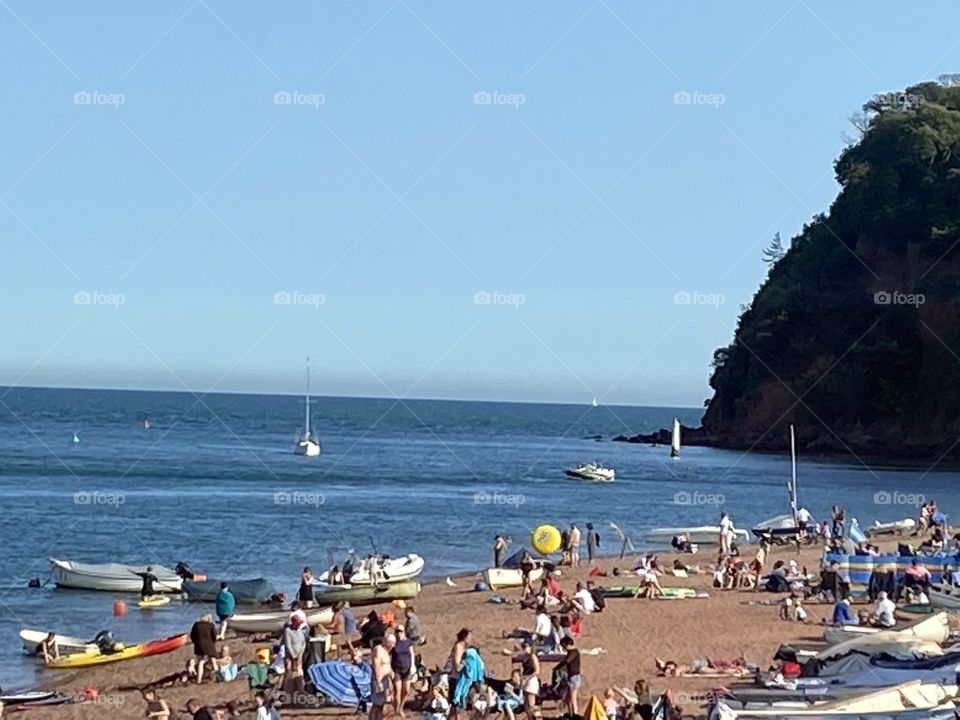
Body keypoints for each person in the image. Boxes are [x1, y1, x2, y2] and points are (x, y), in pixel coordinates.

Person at [391, 625, 415, 717]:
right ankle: (397, 710)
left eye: (400, 631)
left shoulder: (408, 642)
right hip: (397, 669)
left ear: (404, 632)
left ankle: (400, 707)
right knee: (397, 692)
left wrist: (412, 666)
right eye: (397, 632)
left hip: (407, 669)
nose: (399, 633)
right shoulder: (394, 643)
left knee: (407, 691)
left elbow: (412, 654)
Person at [370, 633, 394, 720]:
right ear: (387, 642)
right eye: (392, 643)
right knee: (376, 704)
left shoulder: (387, 653)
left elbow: (387, 666)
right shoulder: (379, 649)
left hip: (385, 679)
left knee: (381, 704)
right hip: (379, 679)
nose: (393, 645)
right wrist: (378, 681)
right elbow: (376, 665)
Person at [447, 628, 471, 719]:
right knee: (454, 709)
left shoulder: (462, 648)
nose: (471, 639)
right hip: (456, 680)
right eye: (469, 637)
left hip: (460, 681)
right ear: (465, 638)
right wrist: (466, 662)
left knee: (458, 710)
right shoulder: (458, 647)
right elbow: (457, 667)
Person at [189, 612, 218, 684]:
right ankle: (217, 676)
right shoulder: (211, 625)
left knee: (200, 662)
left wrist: (195, 642)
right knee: (213, 661)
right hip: (209, 646)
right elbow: (214, 636)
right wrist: (213, 642)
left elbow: (192, 635)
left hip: (198, 646)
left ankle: (199, 679)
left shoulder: (196, 625)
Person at [557, 636, 582, 717]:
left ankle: (575, 715)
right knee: (568, 699)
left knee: (572, 699)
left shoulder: (573, 652)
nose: (563, 648)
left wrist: (559, 667)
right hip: (573, 677)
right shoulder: (572, 652)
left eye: (563, 646)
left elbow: (567, 661)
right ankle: (571, 714)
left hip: (574, 677)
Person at [516, 641, 540, 720]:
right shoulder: (526, 657)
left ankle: (536, 718)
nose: (524, 649)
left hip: (531, 681)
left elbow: (537, 671)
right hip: (526, 680)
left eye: (525, 647)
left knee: (531, 704)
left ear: (530, 647)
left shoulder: (533, 657)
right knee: (526, 704)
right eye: (523, 647)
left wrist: (527, 678)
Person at [283, 615, 307, 695]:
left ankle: (300, 689)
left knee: (299, 672)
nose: (299, 625)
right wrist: (293, 656)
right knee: (290, 673)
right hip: (291, 656)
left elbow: (303, 642)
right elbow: (288, 644)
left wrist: (301, 653)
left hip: (299, 655)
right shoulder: (288, 631)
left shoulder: (300, 630)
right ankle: (289, 691)